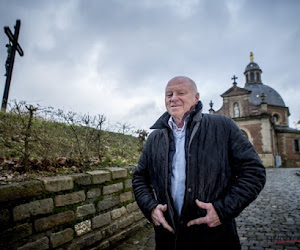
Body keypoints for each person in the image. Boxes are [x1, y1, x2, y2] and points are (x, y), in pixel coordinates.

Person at [132, 76, 266, 250]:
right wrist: (150, 207)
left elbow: (254, 172)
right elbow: (140, 178)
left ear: (196, 98)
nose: (173, 98)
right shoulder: (154, 138)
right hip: (168, 239)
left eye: (181, 93)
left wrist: (222, 210)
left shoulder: (223, 126)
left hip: (214, 238)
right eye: (169, 94)